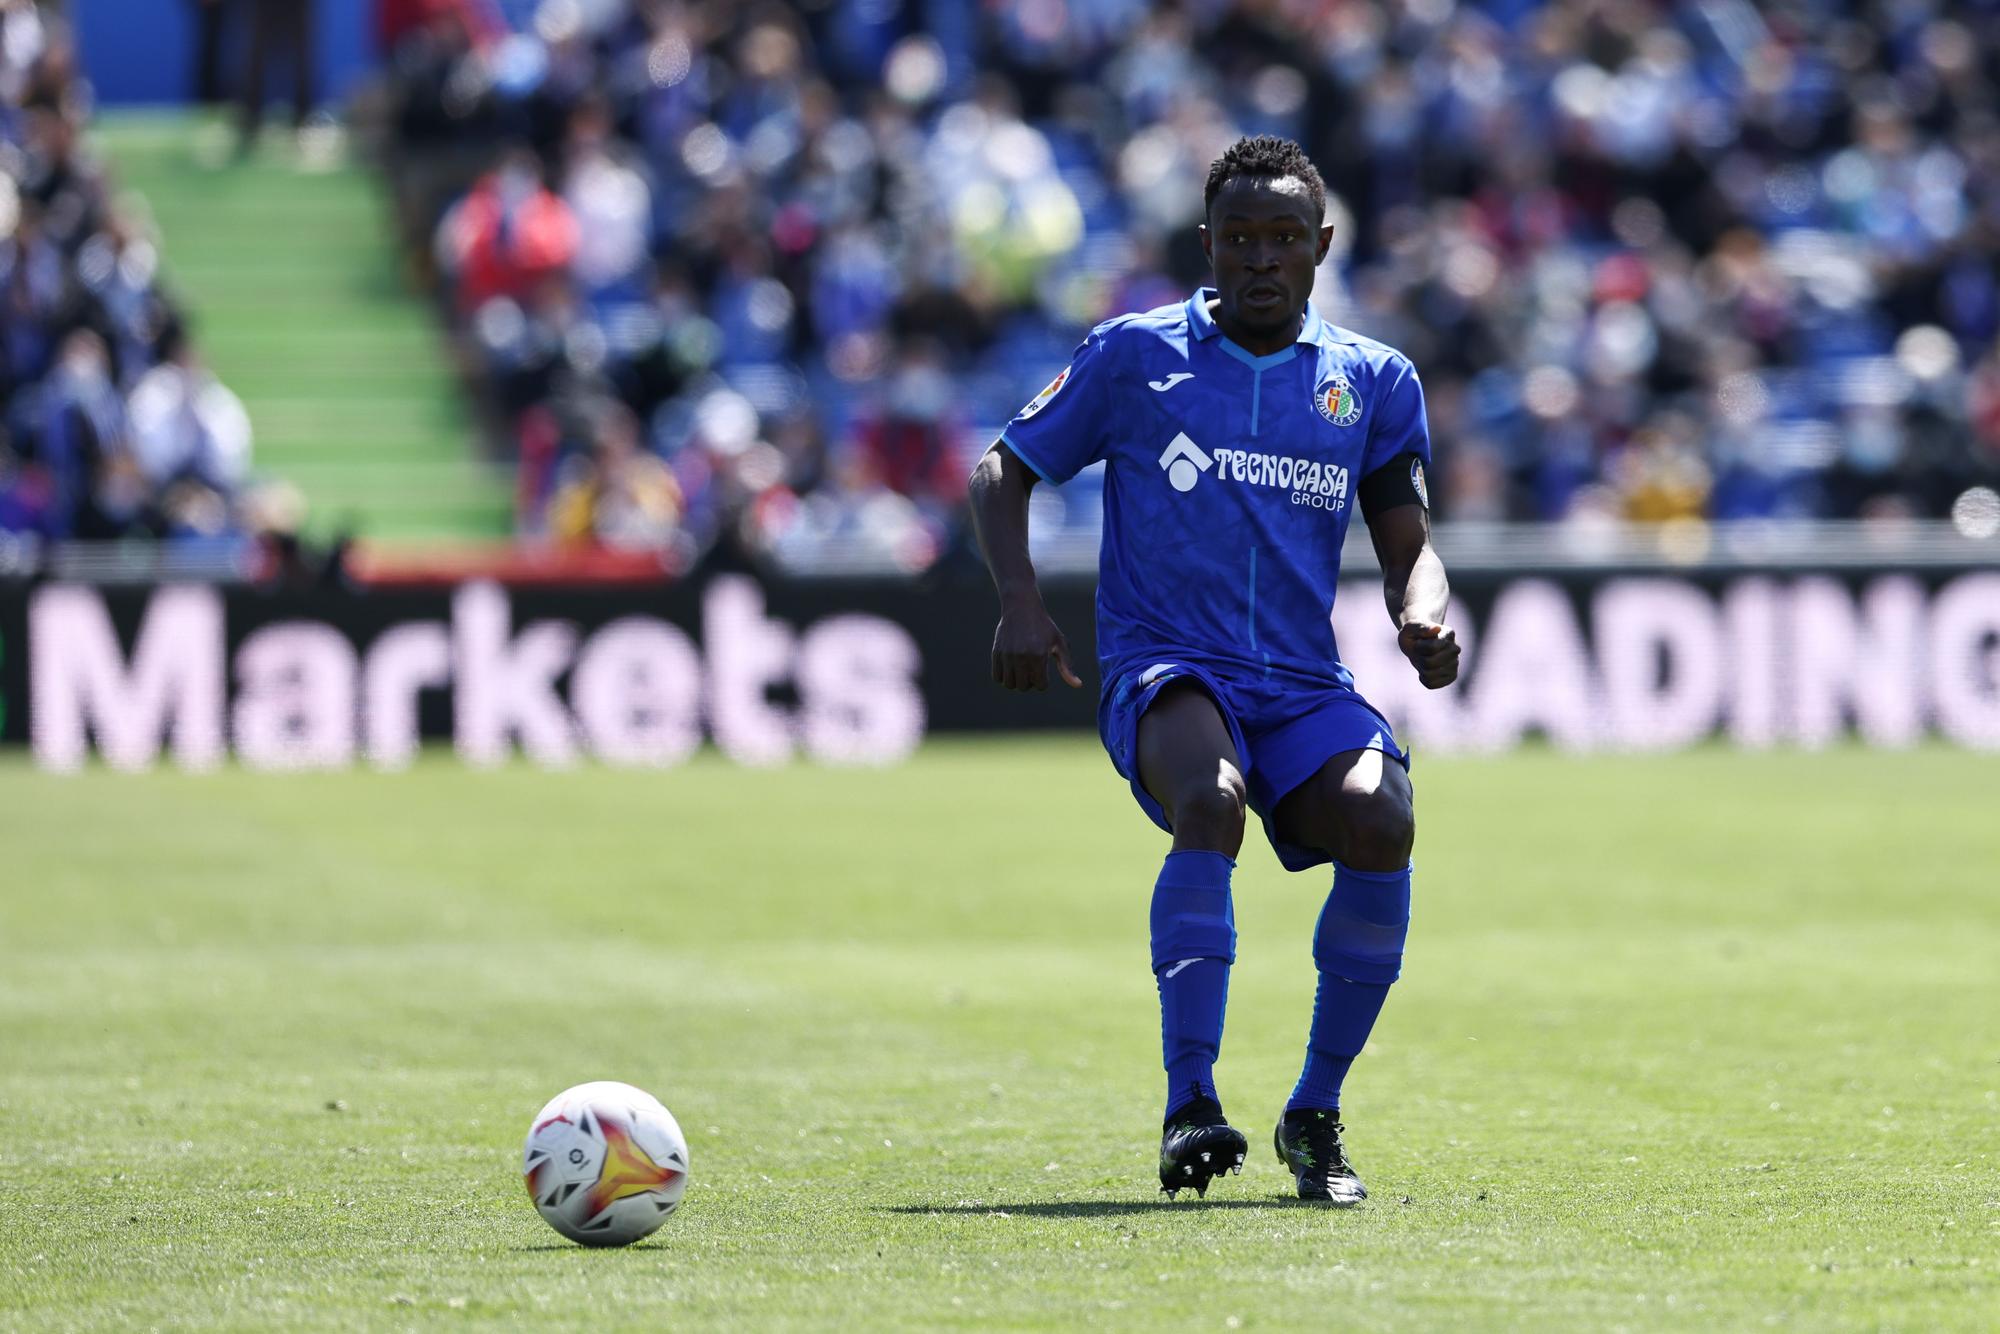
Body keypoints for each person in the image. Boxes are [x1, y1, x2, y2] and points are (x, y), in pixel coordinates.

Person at [967, 135, 1461, 1205]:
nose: (1260, 258)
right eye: (1239, 237)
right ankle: (1188, 1099)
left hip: (1297, 681)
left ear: (1320, 246)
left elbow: (1407, 545)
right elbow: (1001, 467)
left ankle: (1312, 1113)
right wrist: (1017, 599)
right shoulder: (1133, 356)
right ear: (1206, 243)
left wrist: (1424, 612)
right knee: (1210, 795)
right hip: (1165, 664)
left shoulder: (1370, 382)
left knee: (1382, 820)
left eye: (1283, 238)